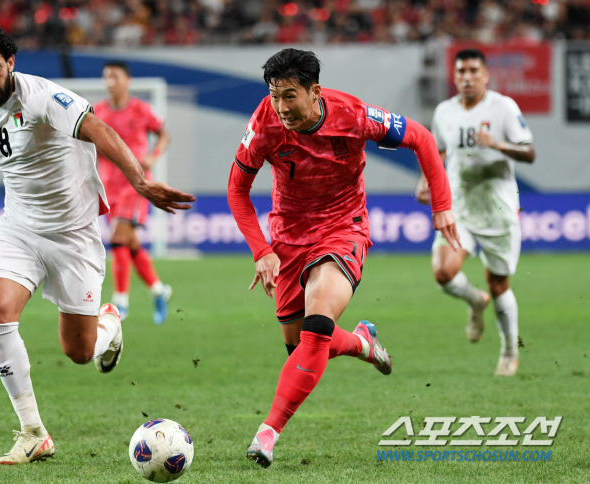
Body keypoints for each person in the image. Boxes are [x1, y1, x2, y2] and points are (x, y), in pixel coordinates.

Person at [0, 22, 194, 465]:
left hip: (74, 234)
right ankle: (33, 433)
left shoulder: (41, 95)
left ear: (10, 63)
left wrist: (141, 182)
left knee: (79, 352)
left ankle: (109, 324)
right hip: (19, 228)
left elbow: (99, 129)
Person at [227, 48, 459, 468]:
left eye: (290, 96)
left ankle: (268, 433)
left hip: (342, 227)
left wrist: (441, 204)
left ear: (314, 91)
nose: (281, 107)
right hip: (289, 237)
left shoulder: (352, 115)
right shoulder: (264, 122)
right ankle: (362, 343)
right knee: (301, 347)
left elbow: (421, 139)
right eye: (275, 95)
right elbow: (237, 192)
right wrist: (262, 250)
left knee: (317, 327)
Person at [415, 48, 535, 377]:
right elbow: (436, 151)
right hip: (459, 207)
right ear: (454, 77)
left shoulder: (504, 108)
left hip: (498, 210)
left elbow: (529, 152)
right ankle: (474, 301)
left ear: (486, 75)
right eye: (461, 72)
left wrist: (498, 145)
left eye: (473, 71)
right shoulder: (444, 111)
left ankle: (510, 351)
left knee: (498, 284)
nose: (466, 77)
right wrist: (425, 180)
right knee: (443, 272)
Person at [94, 60, 172, 324]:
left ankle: (120, 302)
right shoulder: (97, 112)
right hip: (109, 186)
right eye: (106, 77)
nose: (110, 82)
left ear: (127, 80)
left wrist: (153, 156)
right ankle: (159, 291)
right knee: (129, 243)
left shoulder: (141, 109)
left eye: (115, 77)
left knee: (118, 238)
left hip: (136, 184)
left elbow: (164, 135)